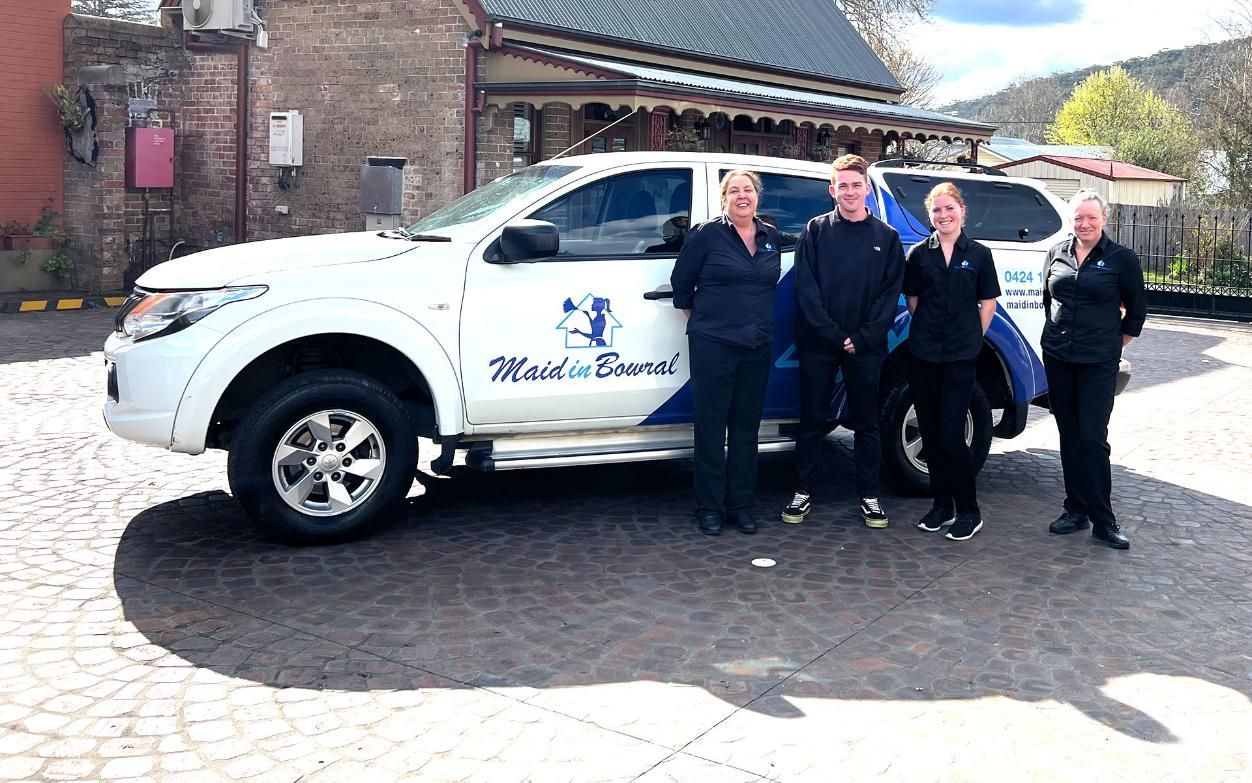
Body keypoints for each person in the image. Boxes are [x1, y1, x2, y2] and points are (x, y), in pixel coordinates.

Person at [782, 154, 905, 528]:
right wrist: (834, 336)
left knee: (867, 422)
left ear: (866, 188)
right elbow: (806, 289)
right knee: (812, 420)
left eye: (856, 184)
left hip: (866, 347)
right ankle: (803, 491)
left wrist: (862, 337)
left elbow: (890, 296)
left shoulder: (887, 237)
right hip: (820, 343)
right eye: (843, 185)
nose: (850, 192)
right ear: (831, 190)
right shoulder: (816, 231)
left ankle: (869, 496)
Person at [671, 170, 782, 535]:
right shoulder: (706, 235)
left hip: (756, 345)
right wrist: (704, 320)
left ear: (757, 197)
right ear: (724, 199)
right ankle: (709, 508)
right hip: (713, 345)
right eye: (734, 190)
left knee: (747, 429)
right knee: (710, 427)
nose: (742, 196)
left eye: (747, 190)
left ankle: (742, 506)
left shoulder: (770, 237)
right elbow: (681, 284)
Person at [1042, 189, 1147, 549]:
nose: (1084, 224)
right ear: (1071, 221)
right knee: (1069, 436)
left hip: (1098, 363)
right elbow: (1048, 300)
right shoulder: (1056, 254)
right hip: (1058, 358)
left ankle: (1104, 518)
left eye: (1091, 217)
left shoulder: (1121, 259)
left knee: (1092, 438)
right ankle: (1075, 509)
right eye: (1078, 218)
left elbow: (1136, 313)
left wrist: (1113, 345)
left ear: (1105, 218)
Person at [903, 183, 1000, 541]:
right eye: (936, 211)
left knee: (950, 432)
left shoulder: (978, 254)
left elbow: (987, 303)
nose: (943, 216)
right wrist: (931, 328)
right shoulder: (918, 253)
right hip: (924, 353)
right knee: (929, 432)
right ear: (930, 216)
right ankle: (941, 506)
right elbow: (913, 299)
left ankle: (969, 510)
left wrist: (971, 337)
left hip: (960, 357)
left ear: (962, 210)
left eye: (949, 209)